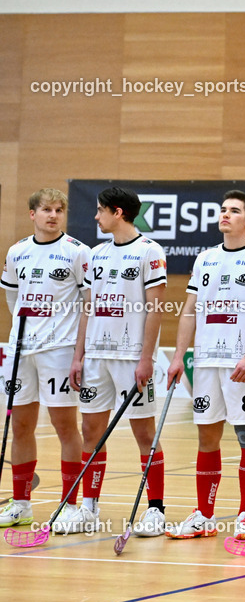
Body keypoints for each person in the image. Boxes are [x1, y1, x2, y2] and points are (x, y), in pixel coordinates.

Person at [165, 190, 245, 540]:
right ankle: (204, 514)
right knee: (207, 436)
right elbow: (189, 311)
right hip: (205, 362)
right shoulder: (205, 259)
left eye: (234, 211)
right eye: (223, 210)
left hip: (242, 363)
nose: (225, 215)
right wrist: (177, 355)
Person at [68, 188, 168, 536]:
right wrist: (78, 356)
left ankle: (156, 510)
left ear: (118, 212)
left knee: (144, 432)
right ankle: (88, 508)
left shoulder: (149, 252)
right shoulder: (96, 254)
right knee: (90, 431)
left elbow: (156, 309)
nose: (96, 217)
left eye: (100, 211)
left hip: (131, 359)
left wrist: (146, 358)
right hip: (96, 356)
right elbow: (88, 308)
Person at [0, 189, 89, 531]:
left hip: (60, 350)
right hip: (21, 350)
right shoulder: (17, 252)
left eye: (59, 210)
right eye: (46, 209)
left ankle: (69, 505)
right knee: (21, 425)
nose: (53, 215)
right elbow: (12, 297)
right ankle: (21, 504)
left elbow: (87, 303)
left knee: (64, 425)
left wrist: (77, 351)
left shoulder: (77, 253)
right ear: (32, 214)